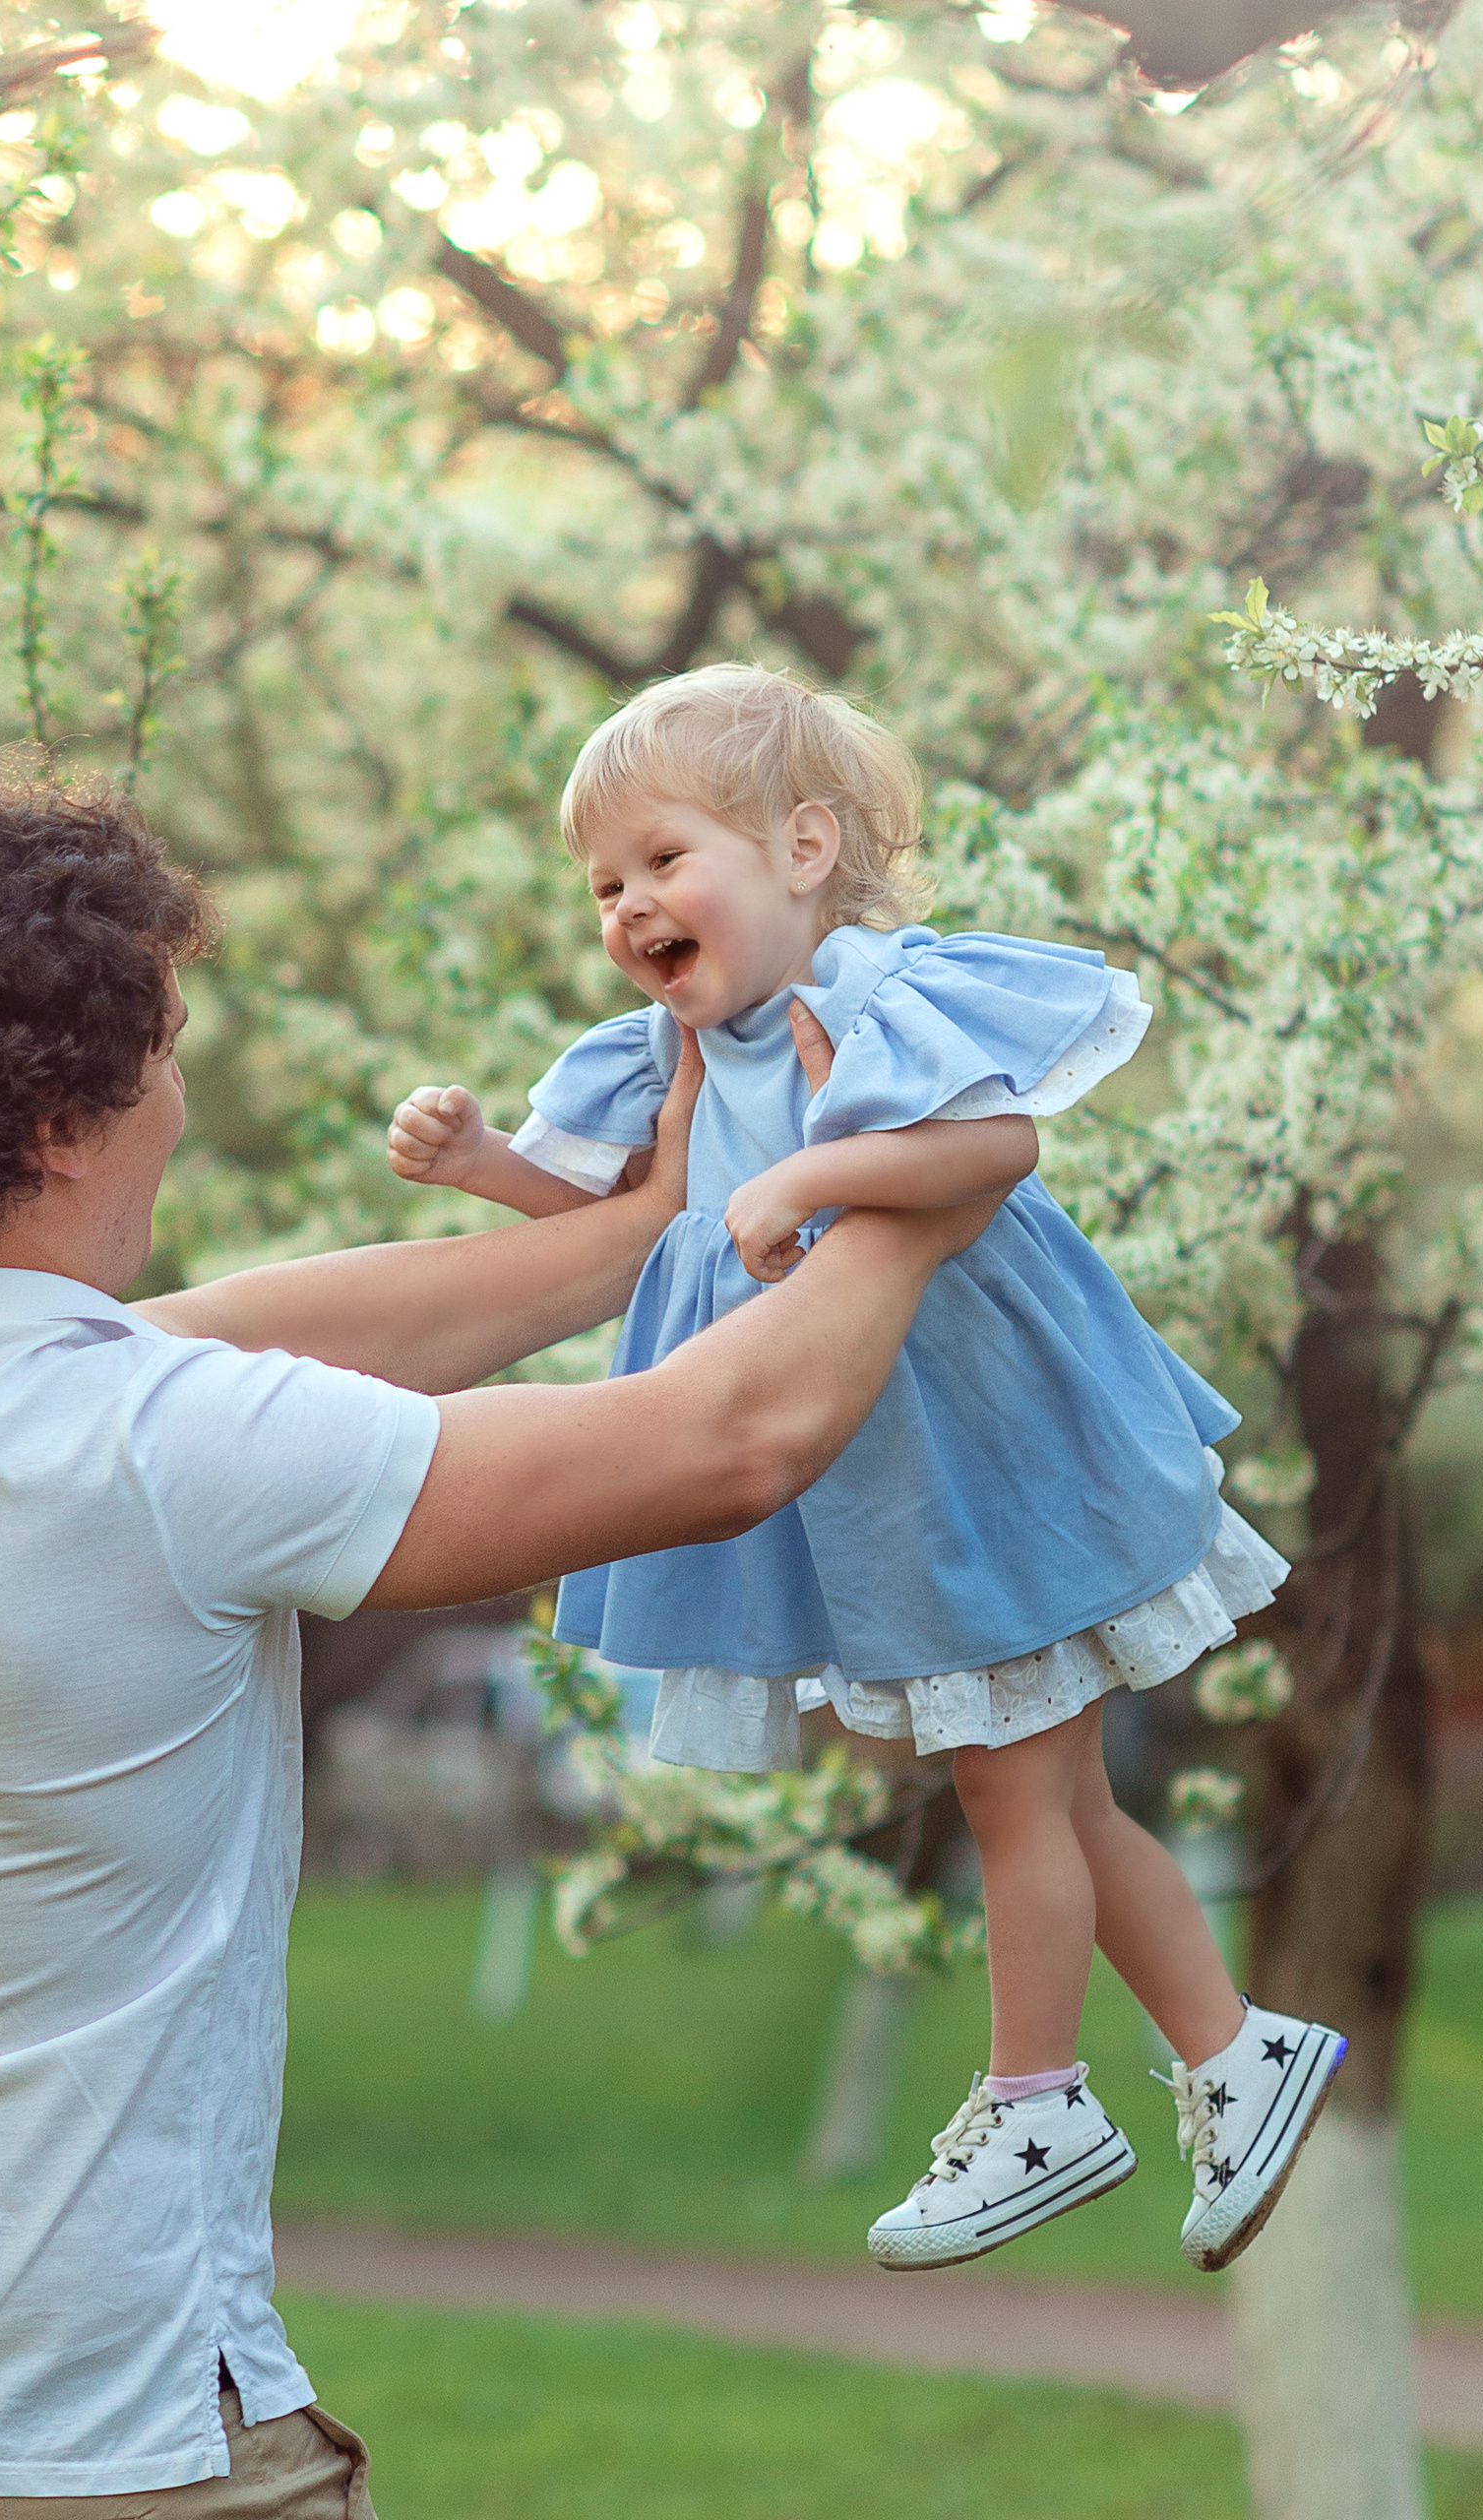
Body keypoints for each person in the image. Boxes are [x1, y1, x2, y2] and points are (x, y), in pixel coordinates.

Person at [0, 763, 996, 2520]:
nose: (178, 1102)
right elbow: (729, 1443)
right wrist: (915, 1186)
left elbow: (248, 1340)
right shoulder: (148, 1456)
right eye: (163, 1059)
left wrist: (644, 1236)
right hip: (101, 2452)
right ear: (62, 1126)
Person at [387, 662, 1344, 2276]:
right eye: (605, 885)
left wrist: (818, 1174)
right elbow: (649, 1228)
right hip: (891, 1480)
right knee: (1053, 1790)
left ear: (805, 848)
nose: (630, 906)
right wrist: (490, 1164)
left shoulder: (876, 998)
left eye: (664, 859)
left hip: (987, 1444)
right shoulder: (672, 1058)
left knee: (1010, 1788)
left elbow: (1000, 1145)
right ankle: (1236, 2050)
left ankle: (1040, 2099)